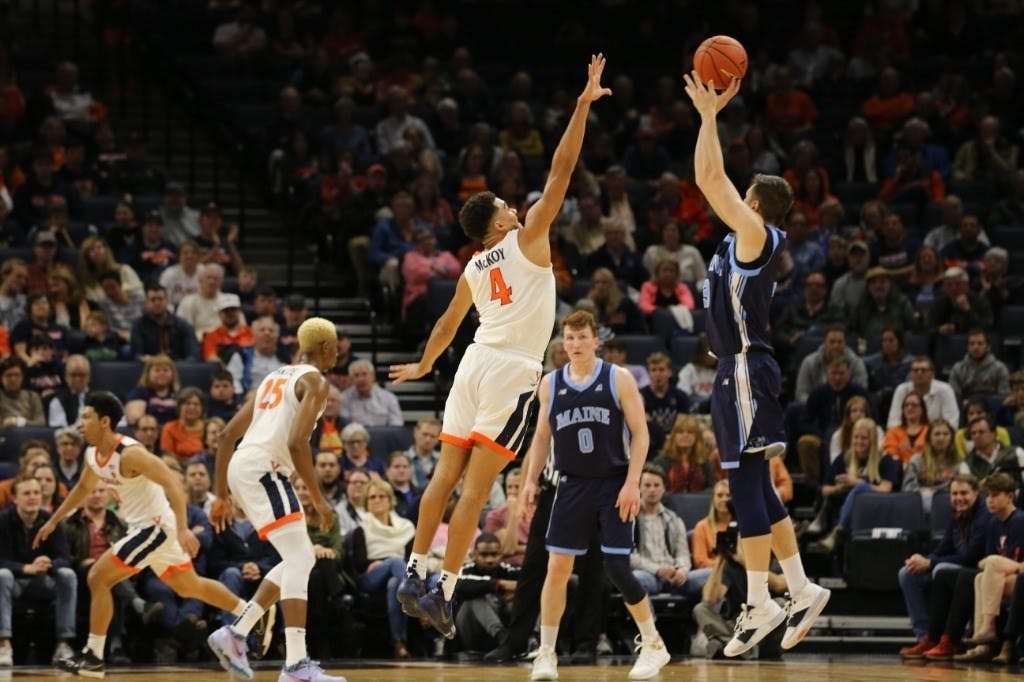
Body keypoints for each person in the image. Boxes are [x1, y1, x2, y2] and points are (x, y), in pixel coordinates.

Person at [390, 55, 612, 639]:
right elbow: (562, 170)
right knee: (476, 488)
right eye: (507, 208)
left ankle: (415, 572)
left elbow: (445, 324)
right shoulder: (528, 240)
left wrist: (424, 365)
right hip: (511, 369)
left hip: (469, 364)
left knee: (444, 476)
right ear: (497, 223)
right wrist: (583, 105)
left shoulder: (471, 266)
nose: (517, 209)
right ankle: (442, 586)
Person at [683, 70, 830, 656]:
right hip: (735, 369)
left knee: (743, 483)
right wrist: (707, 120)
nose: (734, 196)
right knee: (755, 486)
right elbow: (708, 179)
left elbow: (709, 178)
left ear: (756, 204)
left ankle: (759, 601)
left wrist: (710, 116)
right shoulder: (737, 236)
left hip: (746, 366)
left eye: (743, 193)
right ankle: (797, 588)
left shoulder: (755, 233)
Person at [30, 391, 253, 677]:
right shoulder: (92, 455)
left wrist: (183, 527)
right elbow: (83, 490)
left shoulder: (130, 453)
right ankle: (250, 612)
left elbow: (173, 483)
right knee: (189, 586)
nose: (80, 424)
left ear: (105, 421)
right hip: (143, 529)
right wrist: (54, 521)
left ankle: (94, 656)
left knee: (97, 577)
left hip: (155, 527)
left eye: (86, 417)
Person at [519, 310, 670, 680]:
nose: (575, 344)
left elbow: (641, 434)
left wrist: (633, 482)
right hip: (571, 484)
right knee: (556, 569)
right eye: (569, 338)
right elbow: (541, 437)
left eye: (582, 337)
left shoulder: (617, 378)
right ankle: (547, 653)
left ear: (596, 339)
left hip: (613, 483)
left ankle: (653, 644)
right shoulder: (550, 384)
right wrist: (528, 480)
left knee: (617, 567)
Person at [206, 317, 347, 682]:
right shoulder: (315, 381)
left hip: (244, 468)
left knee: (295, 560)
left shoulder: (274, 377)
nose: (338, 353)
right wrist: (318, 499)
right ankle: (296, 666)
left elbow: (224, 436)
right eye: (336, 348)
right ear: (327, 348)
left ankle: (237, 632)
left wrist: (221, 493)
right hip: (265, 470)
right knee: (302, 558)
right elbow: (298, 443)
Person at [898, 474, 989, 657]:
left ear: (976, 493)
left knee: (941, 570)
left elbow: (970, 556)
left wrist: (930, 562)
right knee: (906, 573)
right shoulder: (957, 515)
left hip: (975, 570)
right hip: (956, 568)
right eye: (955, 494)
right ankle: (924, 637)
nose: (959, 498)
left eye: (964, 493)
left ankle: (941, 637)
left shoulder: (984, 517)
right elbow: (942, 549)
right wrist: (921, 560)